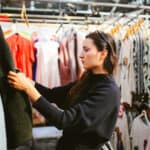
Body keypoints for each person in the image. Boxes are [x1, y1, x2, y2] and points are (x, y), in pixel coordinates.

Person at [7, 31, 120, 150]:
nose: (81, 55)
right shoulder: (88, 80)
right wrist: (28, 81)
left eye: (86, 50)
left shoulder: (108, 91)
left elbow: (63, 120)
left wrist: (28, 88)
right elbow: (52, 94)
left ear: (103, 54)